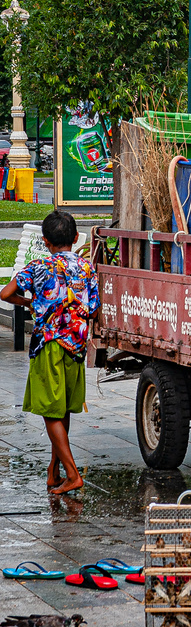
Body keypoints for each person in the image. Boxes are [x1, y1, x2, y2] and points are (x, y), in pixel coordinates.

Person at [0, 211, 99, 495]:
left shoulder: (38, 267)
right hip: (77, 347)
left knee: (49, 411)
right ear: (77, 238)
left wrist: (30, 302)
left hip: (49, 345)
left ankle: (72, 473)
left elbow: (6, 294)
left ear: (45, 241)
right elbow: (93, 308)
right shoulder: (86, 268)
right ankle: (54, 471)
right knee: (63, 407)